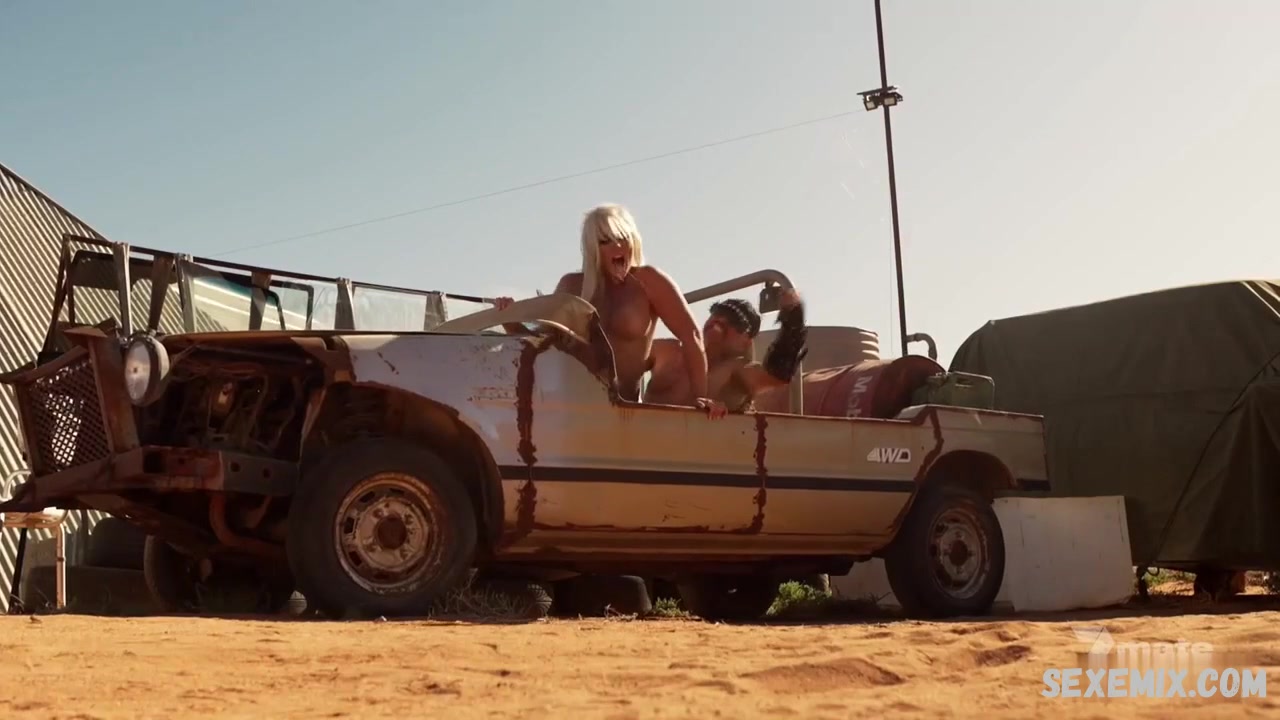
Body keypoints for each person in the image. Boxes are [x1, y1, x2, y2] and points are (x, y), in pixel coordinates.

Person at [494, 204, 713, 409]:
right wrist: (509, 318)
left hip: (625, 408)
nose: (617, 246)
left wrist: (700, 397)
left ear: (633, 240)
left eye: (622, 237)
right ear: (593, 249)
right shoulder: (572, 285)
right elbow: (541, 345)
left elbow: (691, 335)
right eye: (605, 241)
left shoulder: (649, 281)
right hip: (571, 405)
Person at [643, 289, 807, 417]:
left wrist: (793, 317)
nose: (720, 320)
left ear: (746, 342)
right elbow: (628, 356)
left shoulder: (737, 370)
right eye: (717, 312)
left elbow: (778, 373)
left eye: (736, 322)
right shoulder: (668, 351)